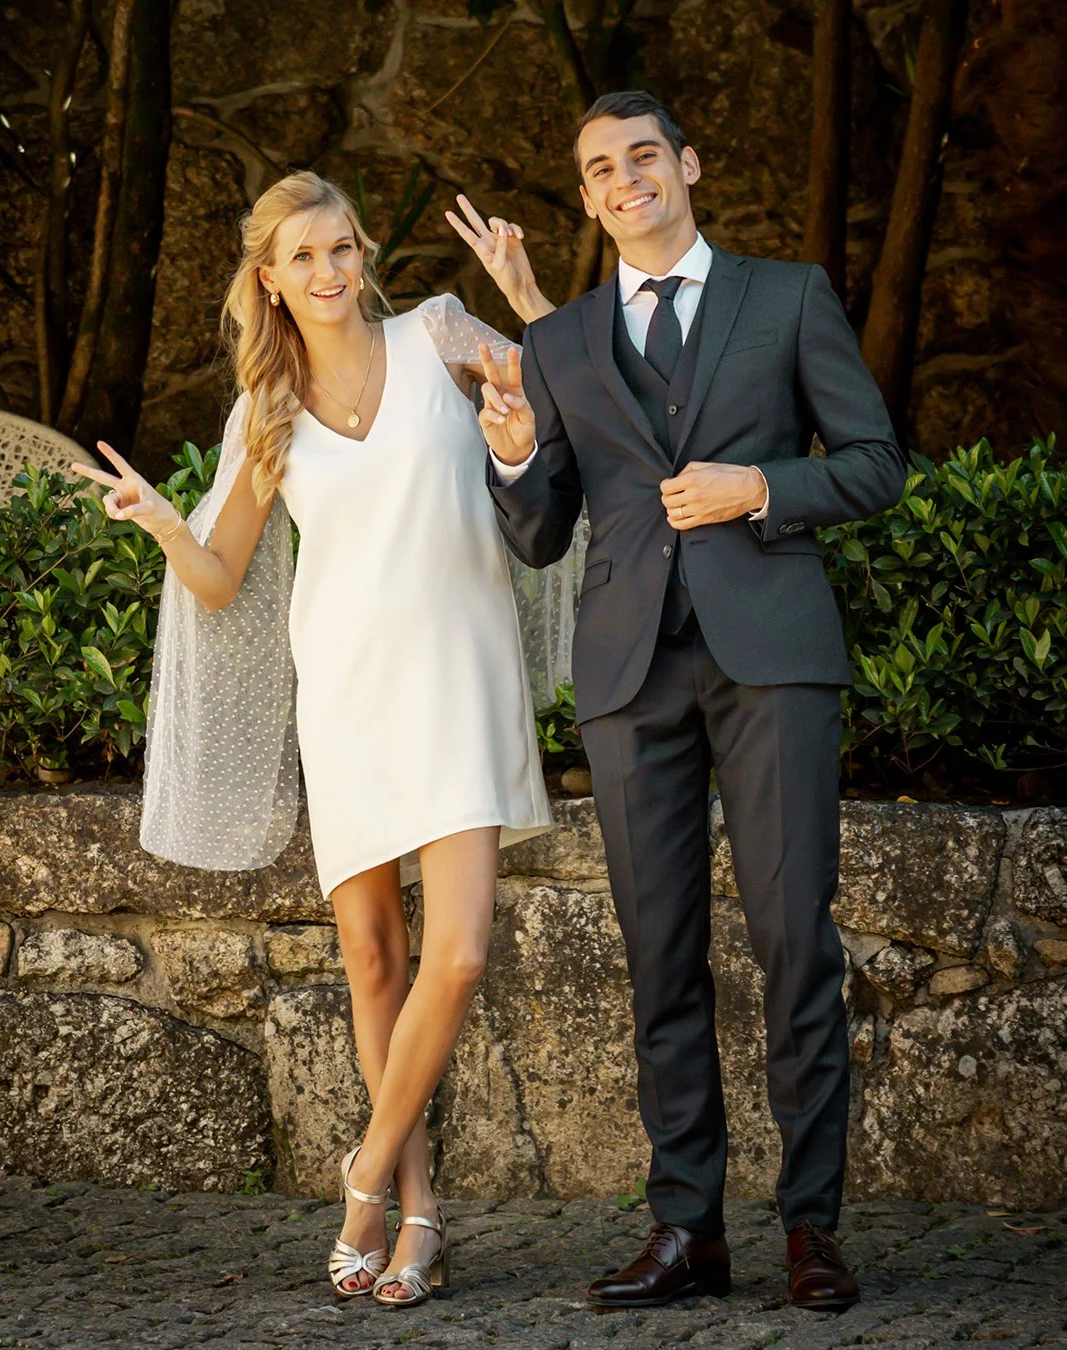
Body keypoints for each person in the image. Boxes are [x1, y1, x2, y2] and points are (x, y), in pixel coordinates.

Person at [69, 171, 555, 1309]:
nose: (331, 271)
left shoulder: (439, 336)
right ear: (269, 281)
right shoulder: (266, 411)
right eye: (304, 257)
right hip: (345, 695)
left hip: (462, 677)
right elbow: (222, 574)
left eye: (343, 248)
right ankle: (420, 1216)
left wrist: (527, 312)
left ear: (363, 253)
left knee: (463, 953)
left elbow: (559, 390)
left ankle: (363, 1178)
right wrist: (157, 523)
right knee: (376, 963)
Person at [465, 90, 908, 1312]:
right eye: (600, 168)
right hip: (628, 673)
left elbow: (876, 465)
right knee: (659, 957)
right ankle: (686, 1231)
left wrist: (757, 488)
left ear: (687, 164)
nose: (624, 179)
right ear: (591, 194)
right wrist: (509, 450)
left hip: (772, 661)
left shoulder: (790, 295)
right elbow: (543, 532)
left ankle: (811, 1229)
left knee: (792, 942)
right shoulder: (560, 343)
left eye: (642, 155)